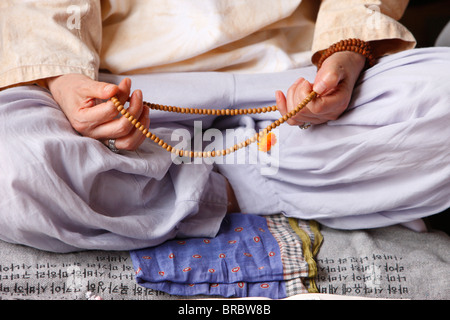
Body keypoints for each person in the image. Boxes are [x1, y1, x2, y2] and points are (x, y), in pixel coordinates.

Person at [0, 0, 449, 252]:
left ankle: (173, 187)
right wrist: (66, 82)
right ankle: (264, 178)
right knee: (13, 168)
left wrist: (343, 56)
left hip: (291, 83)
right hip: (117, 87)